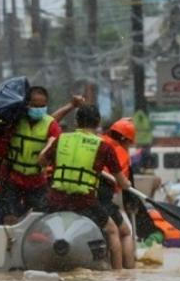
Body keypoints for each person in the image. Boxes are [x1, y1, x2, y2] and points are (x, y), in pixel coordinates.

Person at [39, 105, 131, 270]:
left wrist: (50, 142)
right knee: (112, 231)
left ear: (76, 122)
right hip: (84, 202)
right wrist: (127, 184)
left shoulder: (61, 139)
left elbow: (42, 161)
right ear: (98, 123)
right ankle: (119, 275)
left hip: (55, 200)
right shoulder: (104, 147)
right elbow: (122, 182)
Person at [0, 87, 83, 224]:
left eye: (42, 106)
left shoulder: (51, 125)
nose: (38, 109)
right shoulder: (16, 120)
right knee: (10, 218)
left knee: (40, 220)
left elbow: (52, 128)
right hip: (13, 178)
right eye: (34, 105)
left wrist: (46, 154)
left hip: (37, 180)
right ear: (26, 104)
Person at [99, 117, 138, 269]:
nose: (129, 146)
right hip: (102, 198)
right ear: (124, 139)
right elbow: (124, 185)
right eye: (129, 142)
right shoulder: (122, 153)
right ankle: (126, 270)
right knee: (125, 233)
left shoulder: (98, 140)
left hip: (80, 194)